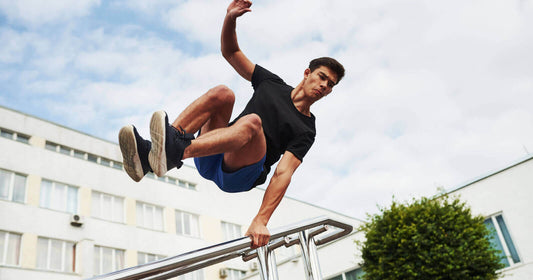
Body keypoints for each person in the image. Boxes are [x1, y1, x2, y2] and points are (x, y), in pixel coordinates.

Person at [118, 0, 345, 248]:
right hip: (212, 153)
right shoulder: (271, 84)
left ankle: (173, 151)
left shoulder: (307, 129)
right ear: (307, 73)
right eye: (322, 77)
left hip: (241, 175)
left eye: (330, 85)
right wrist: (230, 18)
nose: (324, 86)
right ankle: (154, 157)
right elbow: (231, 53)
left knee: (252, 123)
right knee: (223, 93)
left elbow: (283, 173)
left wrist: (261, 219)